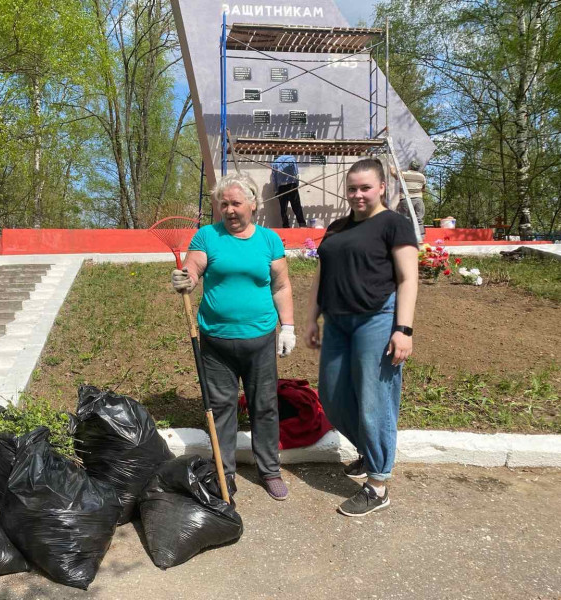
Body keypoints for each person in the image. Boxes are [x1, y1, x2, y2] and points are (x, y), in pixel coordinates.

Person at [304, 159, 418, 517]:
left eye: (365, 188)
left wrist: (403, 329)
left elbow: (408, 278)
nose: (358, 194)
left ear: (382, 187)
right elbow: (321, 277)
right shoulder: (336, 228)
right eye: (352, 188)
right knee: (333, 398)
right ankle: (369, 452)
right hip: (337, 323)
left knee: (375, 401)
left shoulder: (394, 224)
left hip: (377, 321)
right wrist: (312, 319)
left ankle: (378, 483)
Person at [171, 172, 296, 501]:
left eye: (235, 203)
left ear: (252, 204)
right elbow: (194, 268)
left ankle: (269, 470)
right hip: (216, 344)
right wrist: (186, 278)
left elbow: (281, 286)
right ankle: (224, 473)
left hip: (261, 339)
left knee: (265, 406)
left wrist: (290, 327)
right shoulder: (207, 236)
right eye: (223, 203)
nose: (228, 210)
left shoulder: (269, 240)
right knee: (222, 408)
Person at [392, 159, 426, 235]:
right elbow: (423, 189)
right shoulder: (422, 176)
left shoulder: (403, 174)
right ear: (418, 168)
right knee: (419, 219)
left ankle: (405, 236)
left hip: (405, 199)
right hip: (418, 200)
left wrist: (392, 168)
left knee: (404, 218)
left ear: (410, 166)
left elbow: (394, 174)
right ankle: (420, 238)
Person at [271, 154, 306, 228]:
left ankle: (285, 225)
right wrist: (297, 184)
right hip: (292, 185)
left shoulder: (275, 162)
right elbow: (296, 173)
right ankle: (302, 224)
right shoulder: (292, 159)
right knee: (296, 206)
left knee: (283, 208)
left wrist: (276, 190)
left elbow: (274, 178)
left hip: (281, 187)